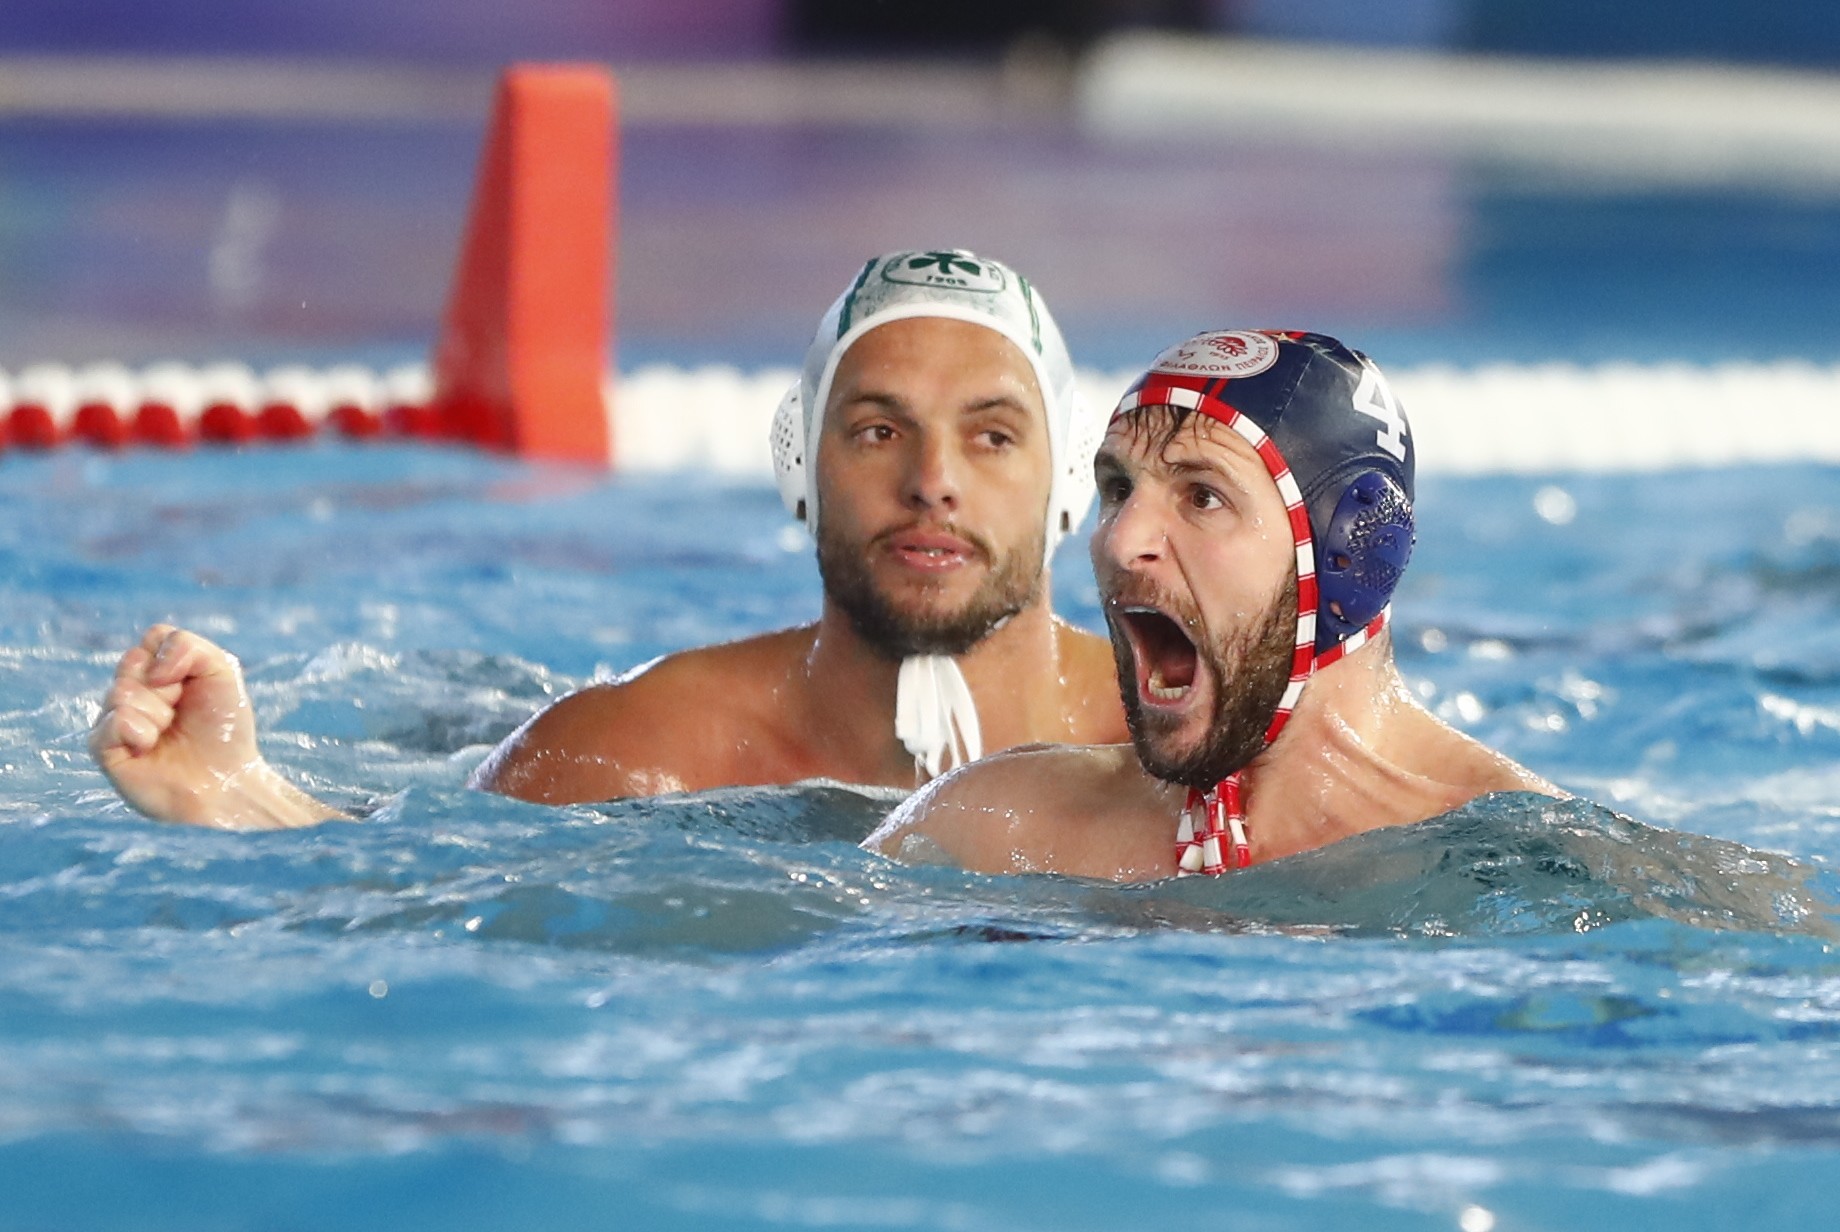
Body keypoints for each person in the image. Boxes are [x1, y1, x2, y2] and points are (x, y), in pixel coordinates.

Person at [90, 249, 1128, 829]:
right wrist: (230, 788)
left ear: (1070, 481)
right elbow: (407, 878)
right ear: (799, 470)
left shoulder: (1175, 747)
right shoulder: (638, 751)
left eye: (993, 436)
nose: (933, 480)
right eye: (877, 431)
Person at [866, 329, 1559, 881]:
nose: (1120, 541)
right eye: (1118, 489)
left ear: (1349, 558)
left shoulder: (1515, 863)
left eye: (1202, 496)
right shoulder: (987, 825)